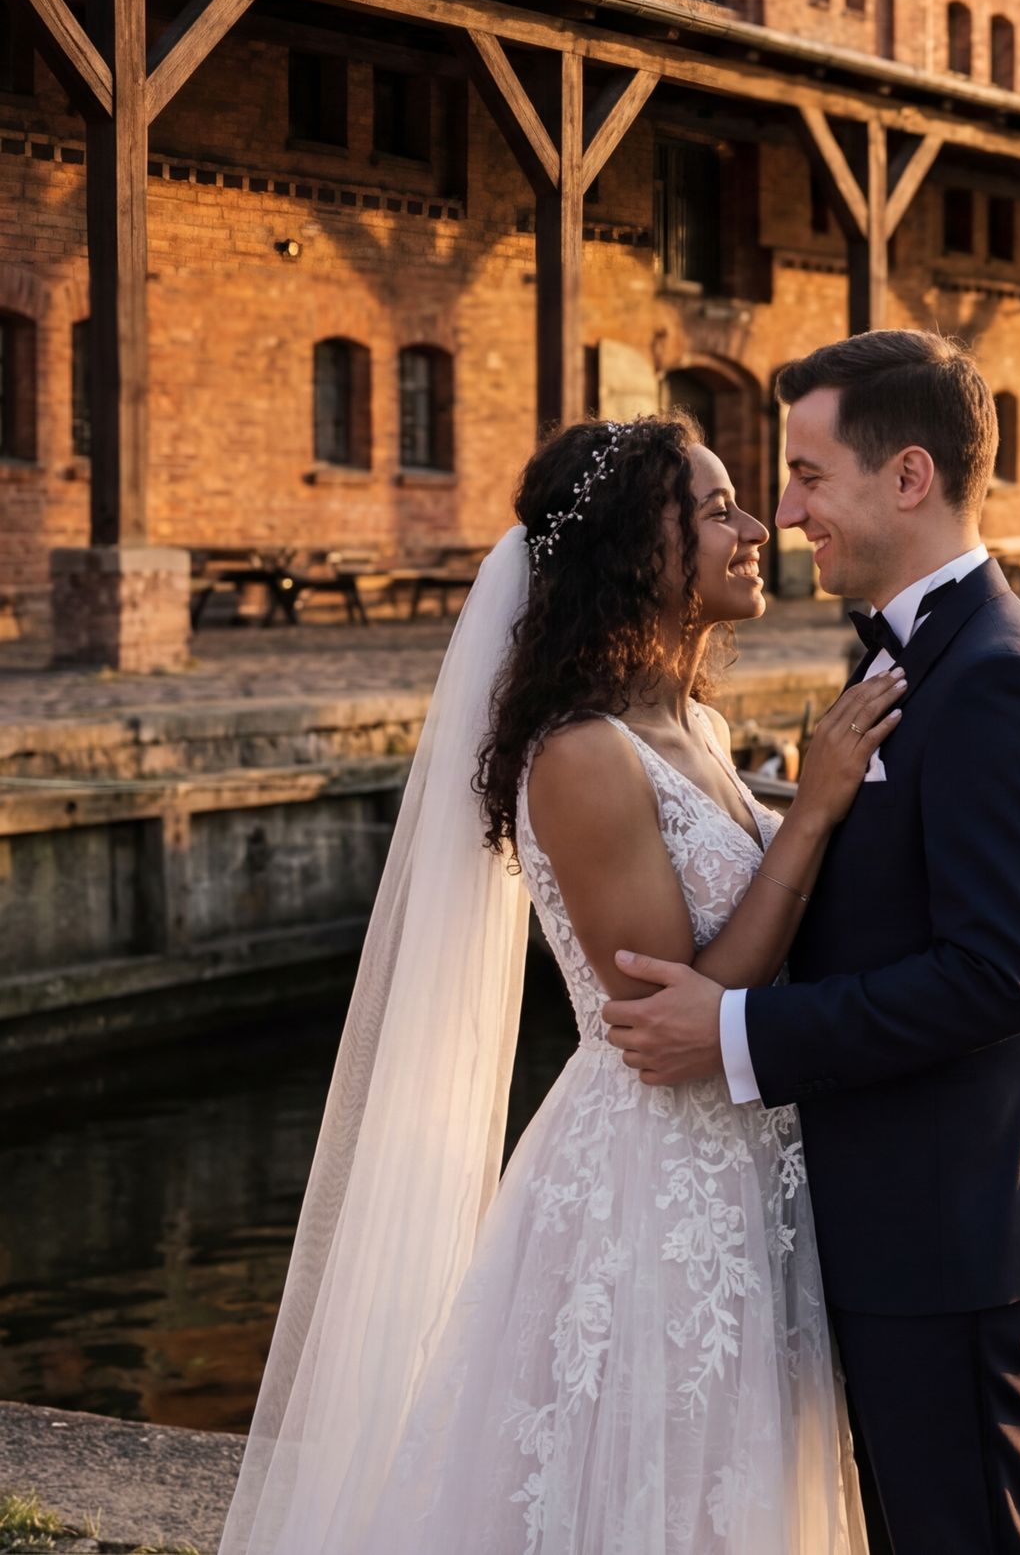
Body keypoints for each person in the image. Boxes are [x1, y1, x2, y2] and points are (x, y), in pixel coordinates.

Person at [222, 414, 904, 1554]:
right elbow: (665, 1011)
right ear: (643, 547)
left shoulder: (696, 724)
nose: (755, 530)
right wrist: (817, 807)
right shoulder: (582, 754)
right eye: (720, 508)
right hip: (653, 1175)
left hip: (749, 1163)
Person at [604, 330, 1020, 1555]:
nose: (786, 510)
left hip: (952, 1223)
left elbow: (994, 979)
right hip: (896, 1214)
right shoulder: (909, 653)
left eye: (811, 477)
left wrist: (732, 1031)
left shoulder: (994, 677)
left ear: (909, 479)